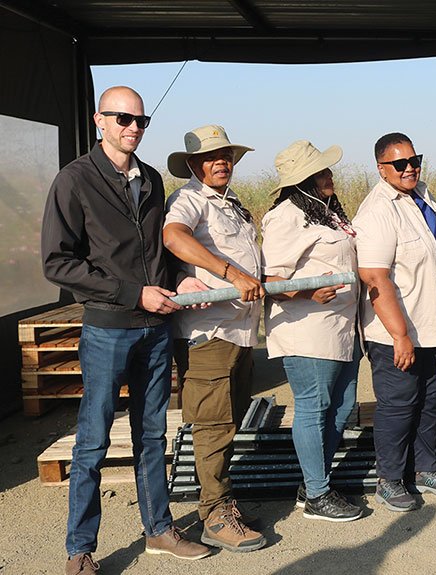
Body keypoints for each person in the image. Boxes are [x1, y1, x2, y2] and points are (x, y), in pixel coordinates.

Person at [41, 86, 210, 575]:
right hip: (108, 329)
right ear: (99, 120)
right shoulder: (74, 181)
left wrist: (181, 279)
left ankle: (158, 530)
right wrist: (133, 294)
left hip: (156, 329)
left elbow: (159, 254)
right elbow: (58, 263)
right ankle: (80, 550)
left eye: (141, 120)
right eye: (122, 118)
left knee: (152, 434)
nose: (133, 127)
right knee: (92, 440)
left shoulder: (152, 180)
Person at [163, 125, 267, 552]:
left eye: (226, 155)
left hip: (241, 331)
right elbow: (173, 237)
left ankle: (223, 502)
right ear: (193, 164)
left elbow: (251, 265)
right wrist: (229, 273)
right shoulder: (187, 201)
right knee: (213, 425)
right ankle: (214, 515)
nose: (221, 161)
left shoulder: (233, 205)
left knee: (231, 418)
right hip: (210, 333)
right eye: (210, 157)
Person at [353, 133, 436, 512]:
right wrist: (400, 335)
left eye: (414, 159)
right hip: (396, 332)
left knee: (429, 401)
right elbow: (374, 277)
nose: (410, 168)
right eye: (399, 164)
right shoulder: (378, 210)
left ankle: (425, 469)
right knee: (398, 405)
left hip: (430, 325)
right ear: (381, 169)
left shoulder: (423, 197)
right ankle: (389, 478)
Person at [262, 140, 363, 522]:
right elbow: (272, 279)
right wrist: (308, 289)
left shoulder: (326, 213)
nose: (330, 175)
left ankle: (312, 481)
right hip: (307, 329)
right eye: (321, 171)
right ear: (303, 180)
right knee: (314, 408)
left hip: (341, 328)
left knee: (343, 406)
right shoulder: (286, 216)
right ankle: (318, 494)